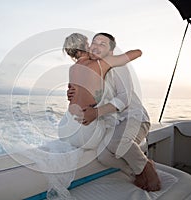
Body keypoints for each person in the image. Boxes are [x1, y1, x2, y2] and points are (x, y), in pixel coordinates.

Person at [68, 33, 161, 191]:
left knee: (116, 143)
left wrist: (96, 113)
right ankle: (135, 171)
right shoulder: (91, 70)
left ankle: (147, 168)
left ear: (111, 52)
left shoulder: (118, 67)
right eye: (94, 42)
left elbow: (124, 98)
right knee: (103, 155)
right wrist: (73, 94)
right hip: (115, 122)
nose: (96, 46)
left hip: (135, 118)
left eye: (102, 44)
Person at [58, 33, 141, 150]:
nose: (93, 47)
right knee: (109, 137)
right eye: (90, 43)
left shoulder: (72, 69)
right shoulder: (99, 64)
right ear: (85, 47)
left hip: (65, 127)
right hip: (86, 130)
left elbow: (76, 92)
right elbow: (136, 53)